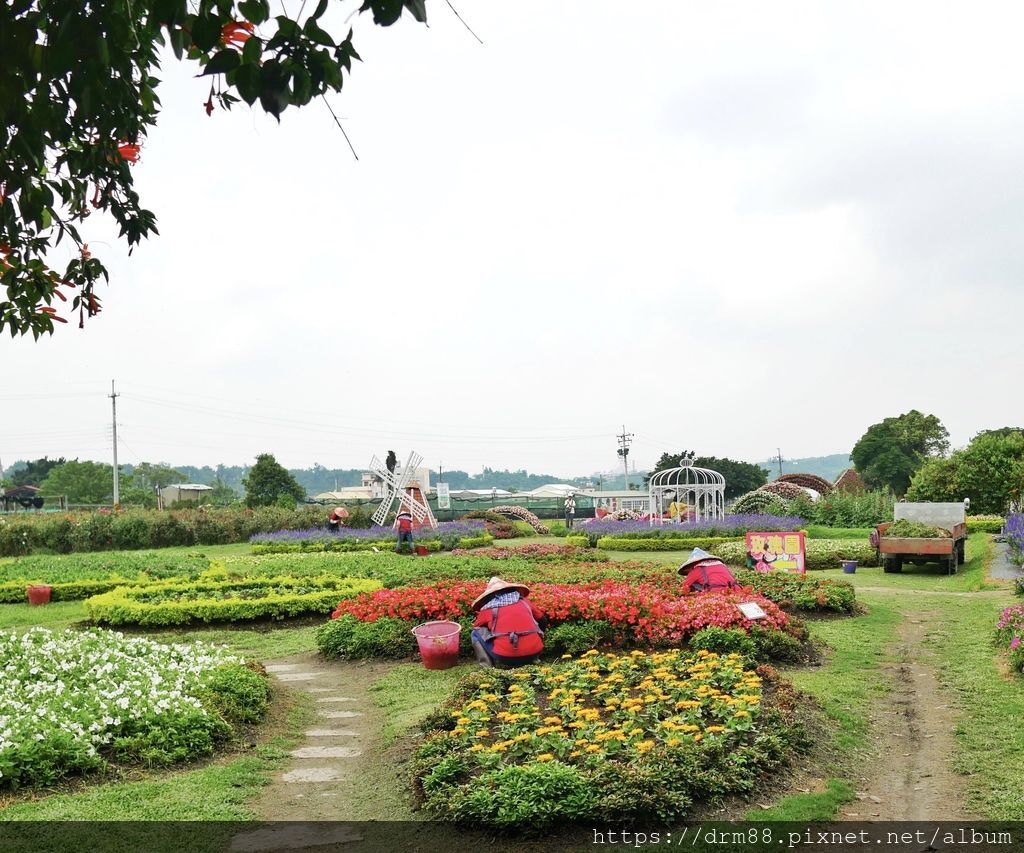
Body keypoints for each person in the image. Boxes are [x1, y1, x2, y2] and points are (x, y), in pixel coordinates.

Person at [470, 576, 547, 668]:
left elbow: (477, 627)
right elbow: (543, 620)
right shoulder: (524, 602)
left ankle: (487, 667)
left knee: (475, 633)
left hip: (505, 657)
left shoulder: (488, 608)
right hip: (535, 652)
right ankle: (533, 658)